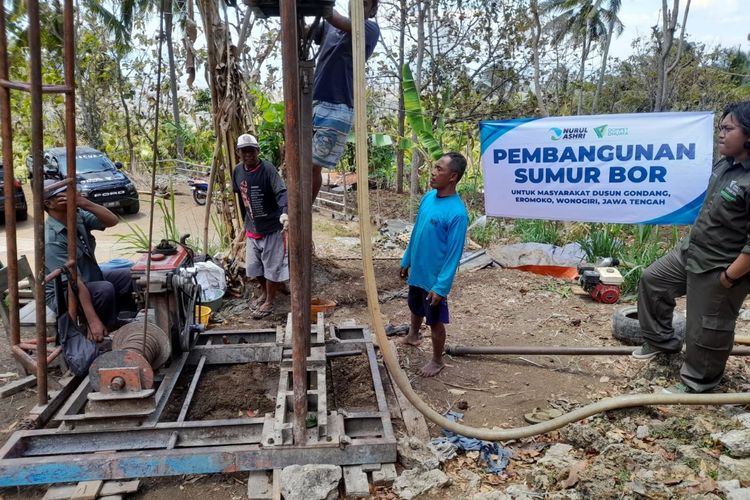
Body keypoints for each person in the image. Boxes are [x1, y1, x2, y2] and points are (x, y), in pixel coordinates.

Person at [632, 101, 750, 393]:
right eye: (720, 128)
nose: (720, 134)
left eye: (728, 128)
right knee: (653, 281)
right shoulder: (726, 163)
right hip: (692, 251)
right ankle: (661, 342)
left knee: (707, 327)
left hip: (721, 264)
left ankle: (698, 382)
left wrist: (730, 277)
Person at [399, 152, 469, 377]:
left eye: (440, 169)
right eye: (434, 167)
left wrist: (441, 286)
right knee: (415, 306)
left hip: (434, 279)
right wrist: (407, 258)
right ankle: (413, 335)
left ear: (453, 177)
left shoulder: (457, 212)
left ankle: (437, 360)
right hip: (418, 270)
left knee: (435, 321)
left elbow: (454, 253)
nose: (433, 172)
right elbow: (417, 231)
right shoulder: (428, 198)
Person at [43, 179, 137, 341]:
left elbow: (112, 221)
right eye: (62, 194)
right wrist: (92, 321)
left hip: (88, 277)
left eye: (70, 191)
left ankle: (123, 321)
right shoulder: (52, 239)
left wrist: (84, 203)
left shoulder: (76, 215)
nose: (69, 196)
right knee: (104, 289)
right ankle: (100, 331)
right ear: (49, 204)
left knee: (131, 276)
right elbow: (74, 282)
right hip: (65, 292)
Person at [311, 0, 380, 202]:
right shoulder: (329, 26)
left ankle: (303, 214)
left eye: (364, 3)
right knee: (300, 163)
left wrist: (320, 6)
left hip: (337, 107)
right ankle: (298, 213)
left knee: (312, 166)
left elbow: (334, 16)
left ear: (372, 10)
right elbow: (308, 31)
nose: (357, 5)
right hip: (313, 101)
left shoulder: (369, 28)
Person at [232, 133, 289, 319]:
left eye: (251, 150)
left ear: (257, 151)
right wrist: (244, 221)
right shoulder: (238, 171)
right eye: (244, 151)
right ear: (239, 153)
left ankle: (270, 301)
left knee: (272, 267)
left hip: (271, 227)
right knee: (254, 267)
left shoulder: (268, 169)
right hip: (252, 228)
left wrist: (284, 212)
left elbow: (281, 192)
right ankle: (265, 293)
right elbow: (240, 197)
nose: (248, 154)